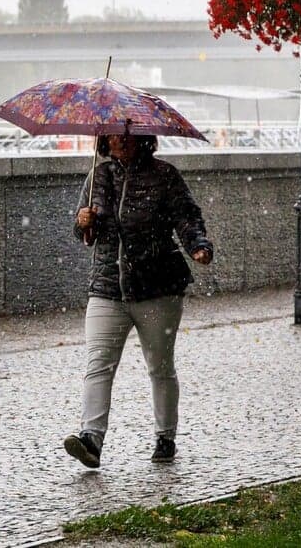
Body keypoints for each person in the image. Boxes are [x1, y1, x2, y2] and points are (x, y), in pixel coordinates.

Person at [63, 134, 213, 468]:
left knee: (160, 366)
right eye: (114, 133)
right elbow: (84, 233)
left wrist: (198, 245)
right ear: (105, 138)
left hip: (157, 288)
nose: (121, 139)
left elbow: (186, 217)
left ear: (143, 137)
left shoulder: (164, 175)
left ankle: (165, 437)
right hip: (107, 287)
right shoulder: (98, 176)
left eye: (129, 133)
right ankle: (91, 439)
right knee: (98, 364)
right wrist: (82, 221)